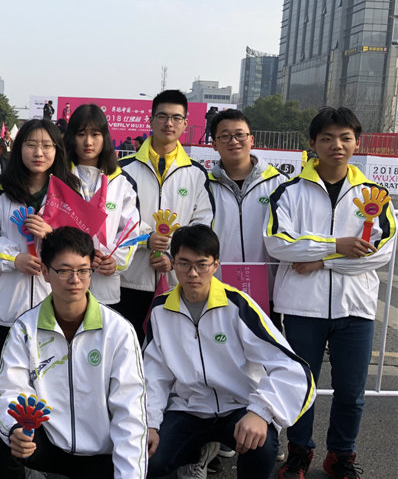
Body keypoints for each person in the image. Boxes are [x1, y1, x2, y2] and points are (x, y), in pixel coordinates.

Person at [264, 107, 396, 479]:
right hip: (302, 307)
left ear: (357, 142)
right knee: (301, 386)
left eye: (344, 138)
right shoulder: (289, 192)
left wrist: (322, 261)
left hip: (355, 309)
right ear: (312, 143)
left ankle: (341, 456)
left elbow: (380, 253)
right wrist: (337, 245)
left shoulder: (375, 195)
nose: (336, 145)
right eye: (327, 138)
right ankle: (299, 452)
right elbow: (278, 243)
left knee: (351, 392)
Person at [144, 224, 315, 479]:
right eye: (184, 263)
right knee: (149, 459)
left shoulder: (238, 305)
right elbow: (154, 373)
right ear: (173, 263)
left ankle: (209, 446)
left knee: (262, 448)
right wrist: (150, 423)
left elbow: (292, 368)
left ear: (216, 265)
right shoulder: (160, 309)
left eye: (202, 264)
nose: (192, 273)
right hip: (188, 408)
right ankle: (196, 453)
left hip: (238, 407)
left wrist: (261, 412)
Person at [0, 227, 148, 479]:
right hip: (48, 443)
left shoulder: (118, 331)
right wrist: (15, 429)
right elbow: (9, 389)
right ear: (45, 272)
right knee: (2, 447)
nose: (75, 280)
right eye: (64, 271)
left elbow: (130, 411)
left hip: (100, 454)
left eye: (83, 270)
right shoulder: (25, 328)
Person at [0, 119, 80, 416]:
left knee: (47, 378)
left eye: (46, 146)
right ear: (18, 149)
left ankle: (42, 432)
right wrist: (13, 259)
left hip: (52, 306)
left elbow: (83, 248)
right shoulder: (0, 192)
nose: (38, 152)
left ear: (57, 150)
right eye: (31, 145)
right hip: (4, 309)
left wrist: (52, 234)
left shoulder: (69, 194)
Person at [117, 89, 214, 344]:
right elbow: (114, 220)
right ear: (151, 120)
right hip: (129, 280)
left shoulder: (196, 174)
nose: (168, 123)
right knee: (128, 350)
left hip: (176, 281)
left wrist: (172, 256)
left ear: (185, 123)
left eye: (176, 118)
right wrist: (145, 239)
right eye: (162, 116)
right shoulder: (123, 170)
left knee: (173, 352)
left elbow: (202, 225)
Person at [210, 108, 288, 321]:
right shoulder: (204, 185)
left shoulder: (279, 183)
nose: (233, 141)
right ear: (214, 144)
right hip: (217, 290)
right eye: (225, 136)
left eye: (240, 135)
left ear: (251, 139)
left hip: (268, 291)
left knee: (266, 341)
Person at [64, 104, 139, 307]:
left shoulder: (121, 182)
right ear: (71, 137)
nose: (88, 142)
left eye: (95, 134)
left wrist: (114, 260)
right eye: (81, 134)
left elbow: (130, 230)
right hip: (65, 283)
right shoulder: (59, 178)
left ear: (104, 137)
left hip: (105, 286)